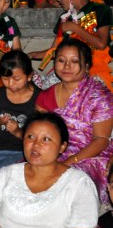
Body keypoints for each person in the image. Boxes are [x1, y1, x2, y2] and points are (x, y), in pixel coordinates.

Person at [36, 39, 113, 203]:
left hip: (91, 157)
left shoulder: (99, 96)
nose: (66, 66)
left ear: (86, 66)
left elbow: (101, 141)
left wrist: (68, 163)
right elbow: (40, 134)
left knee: (69, 184)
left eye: (74, 61)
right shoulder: (45, 96)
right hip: (53, 152)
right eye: (61, 60)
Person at [28, 0, 112, 88]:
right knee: (31, 82)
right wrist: (31, 55)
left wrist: (75, 28)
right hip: (66, 71)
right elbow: (56, 51)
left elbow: (101, 44)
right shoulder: (64, 18)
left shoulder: (101, 10)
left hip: (92, 71)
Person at [0, 51, 39, 175]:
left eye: (16, 79)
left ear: (29, 76)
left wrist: (17, 132)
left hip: (25, 153)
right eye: (5, 79)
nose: (10, 84)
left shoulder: (39, 99)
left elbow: (41, 140)